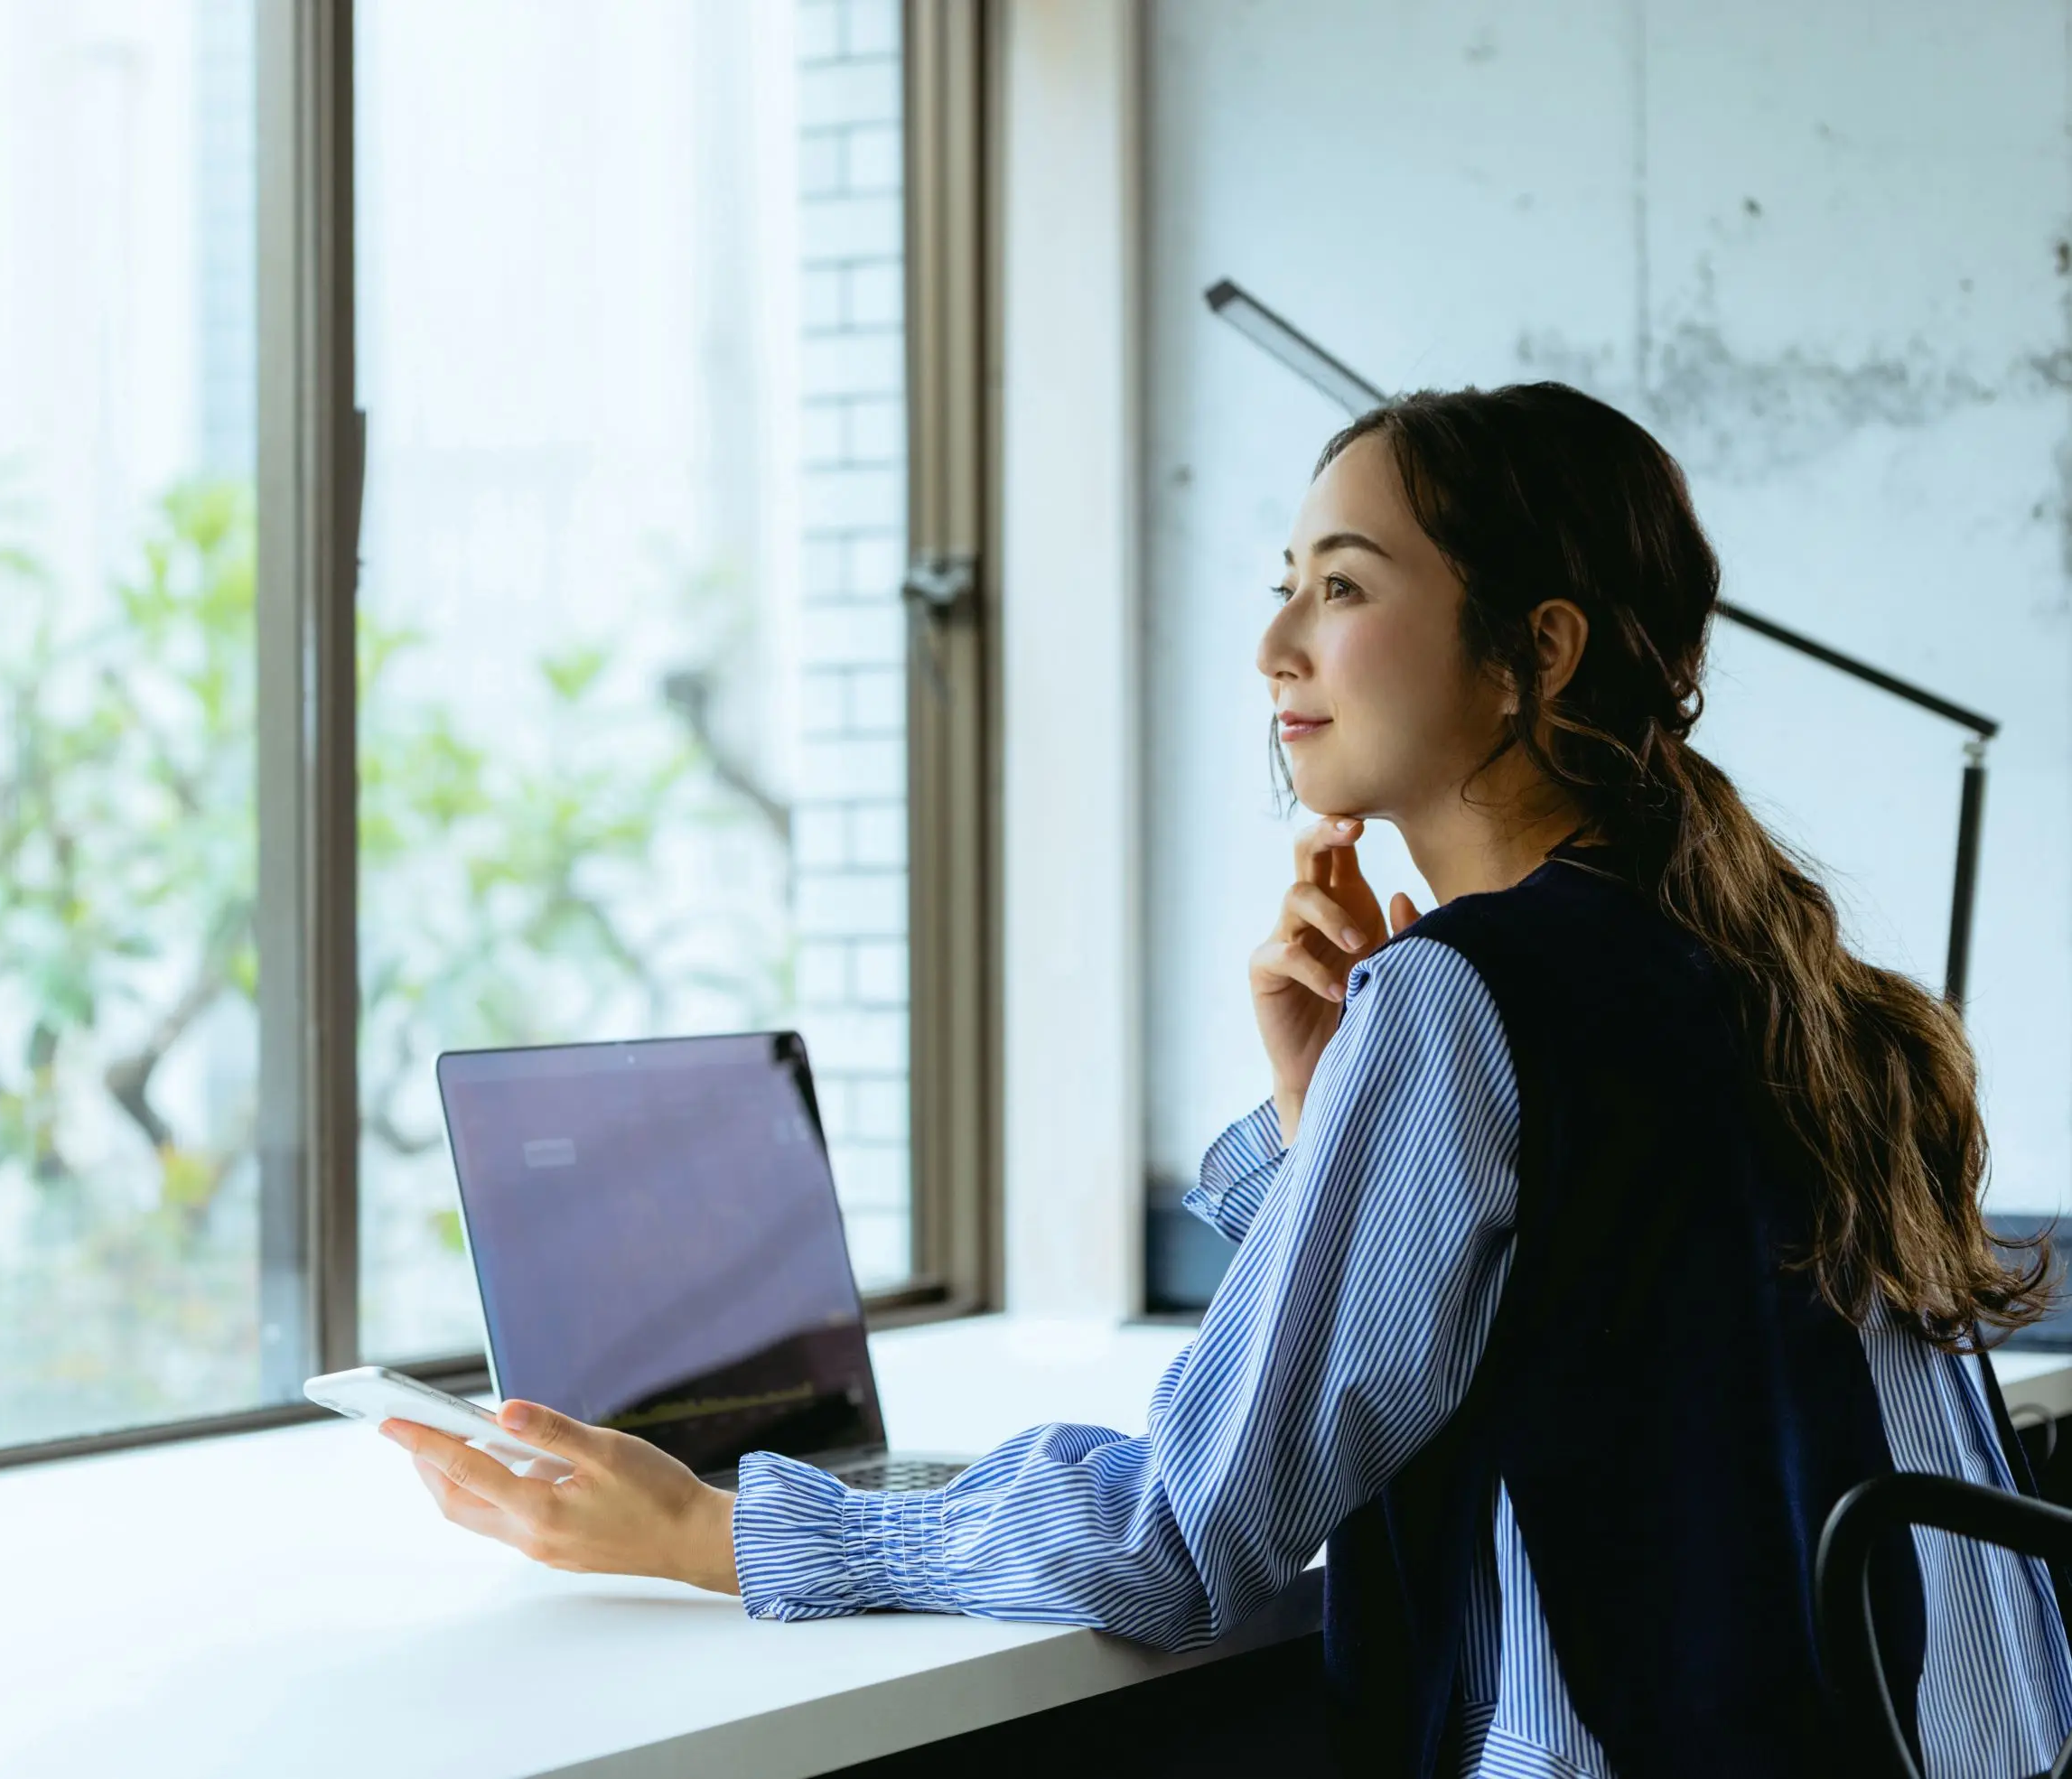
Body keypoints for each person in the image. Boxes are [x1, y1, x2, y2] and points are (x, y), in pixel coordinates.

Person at [377, 383, 2072, 1775]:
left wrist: (718, 1533)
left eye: (1341, 585)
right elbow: (1538, 1314)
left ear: (1535, 650)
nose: (1275, 643)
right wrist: (1314, 1110)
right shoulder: (1784, 985)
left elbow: (1190, 1534)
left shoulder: (1470, 995)